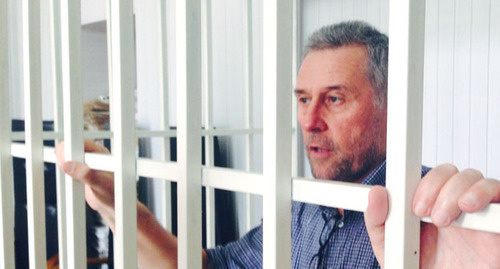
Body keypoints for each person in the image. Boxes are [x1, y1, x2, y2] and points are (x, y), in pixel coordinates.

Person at [55, 21, 500, 268]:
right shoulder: (302, 204)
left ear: (392, 108)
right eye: (304, 99)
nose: (309, 121)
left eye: (335, 99)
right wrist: (117, 204)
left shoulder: (438, 221)